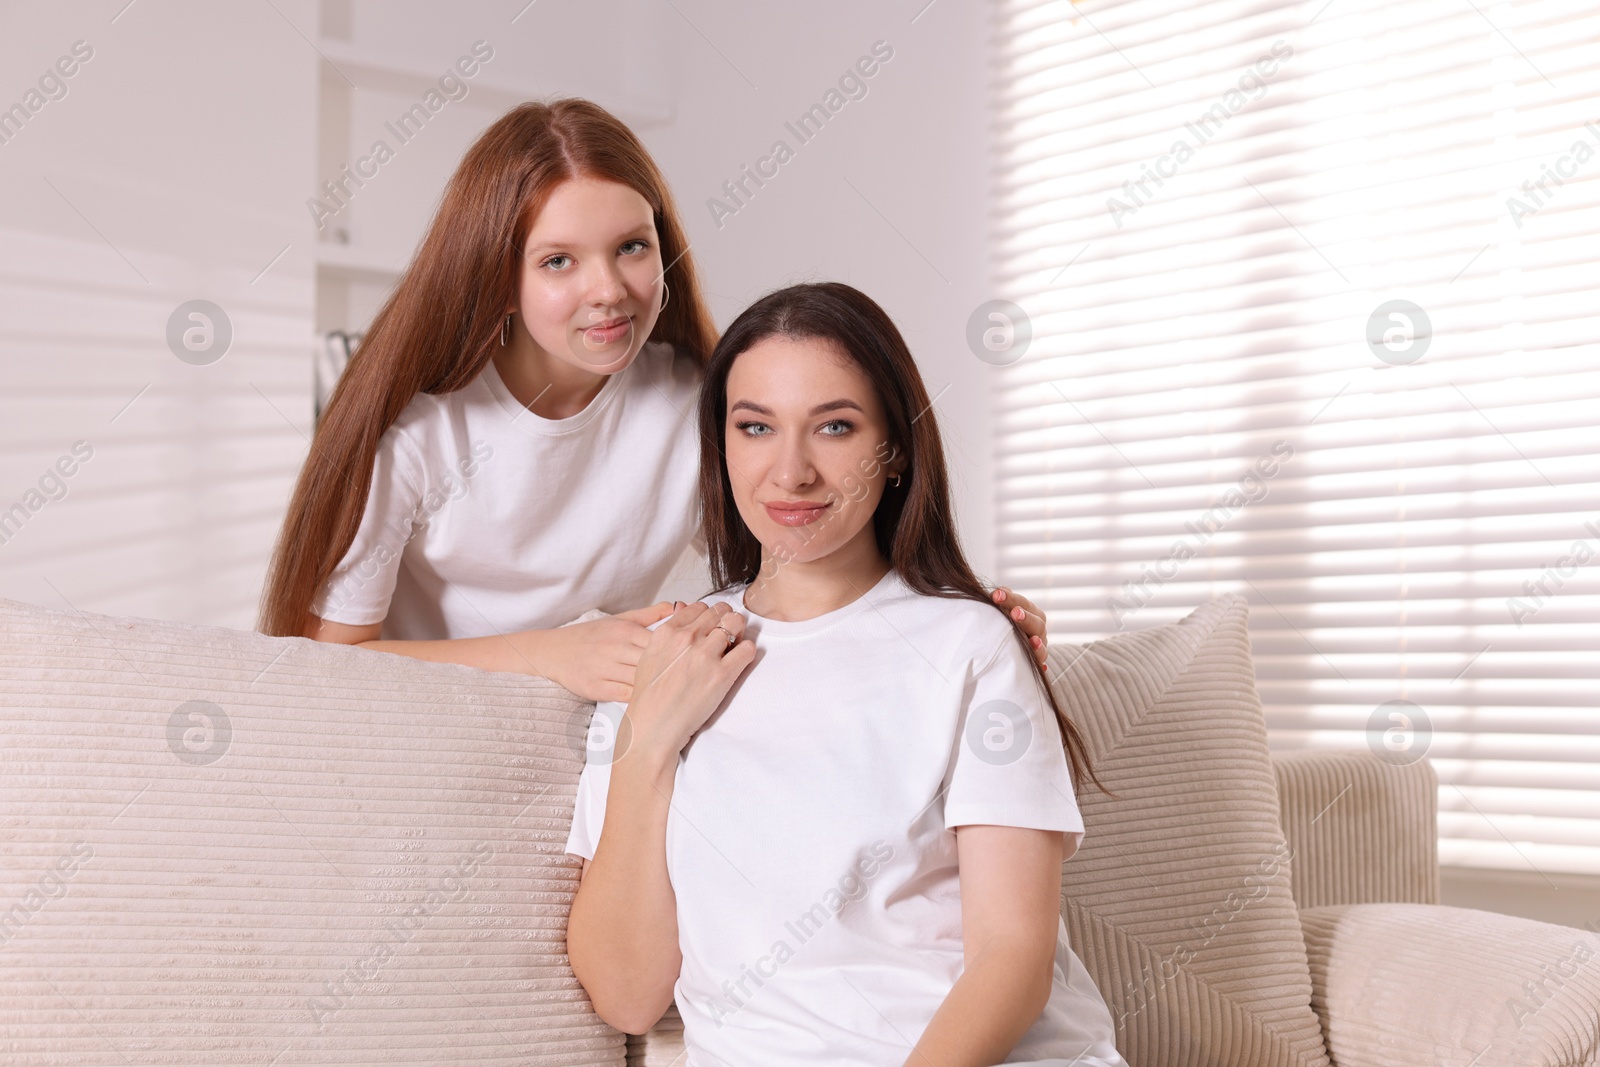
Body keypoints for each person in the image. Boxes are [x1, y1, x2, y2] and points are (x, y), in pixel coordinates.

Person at [258, 100, 1052, 702]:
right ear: (498, 277)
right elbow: (332, 662)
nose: (608, 291)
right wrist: (549, 654)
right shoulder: (421, 435)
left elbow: (811, 561)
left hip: (606, 733)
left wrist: (958, 620)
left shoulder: (694, 401)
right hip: (436, 730)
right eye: (559, 261)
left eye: (632, 247)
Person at [564, 282, 1128, 1067]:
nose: (790, 471)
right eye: (755, 426)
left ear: (894, 449)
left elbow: (1014, 960)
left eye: (833, 426)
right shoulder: (665, 655)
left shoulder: (970, 645)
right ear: (722, 447)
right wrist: (648, 742)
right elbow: (629, 996)